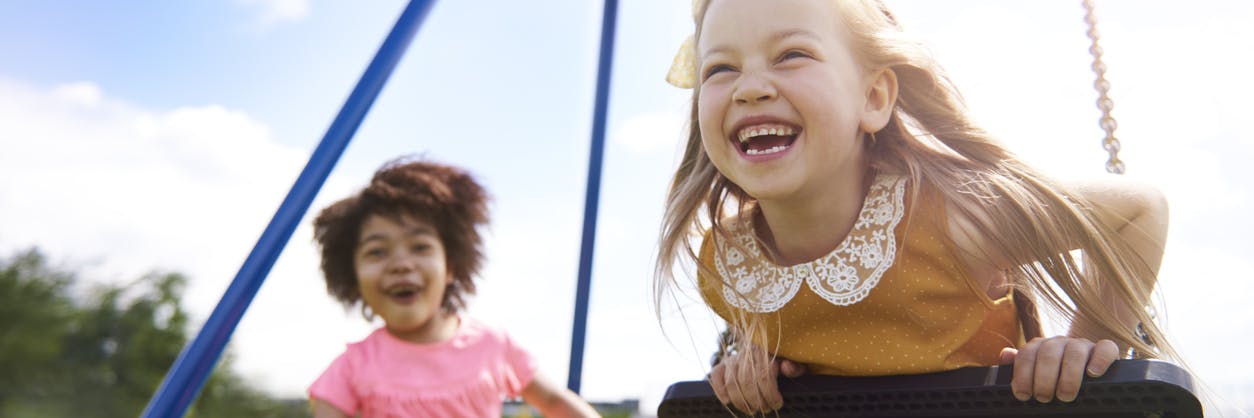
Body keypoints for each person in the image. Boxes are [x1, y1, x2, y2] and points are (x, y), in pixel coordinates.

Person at [653, 0, 1182, 414]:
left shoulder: (949, 219)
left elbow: (1139, 210)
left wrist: (1081, 346)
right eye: (720, 68)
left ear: (875, 98)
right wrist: (750, 368)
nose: (750, 88)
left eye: (791, 55)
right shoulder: (727, 263)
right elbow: (791, 339)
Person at [308, 158, 600, 418]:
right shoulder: (351, 369)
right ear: (352, 275)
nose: (401, 264)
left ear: (451, 267)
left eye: (420, 247)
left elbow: (554, 400)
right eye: (377, 252)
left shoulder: (491, 345)